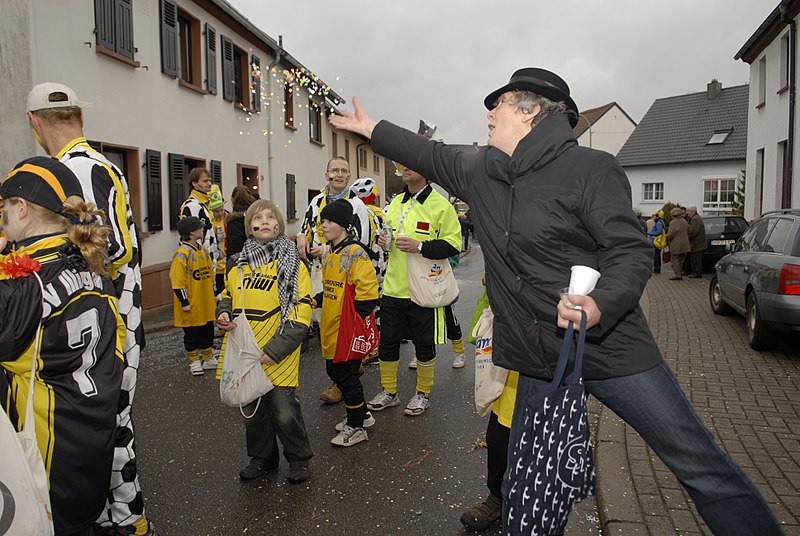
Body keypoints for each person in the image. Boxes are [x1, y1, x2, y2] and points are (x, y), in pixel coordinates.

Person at [330, 67, 782, 535]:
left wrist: (599, 303)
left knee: (698, 464)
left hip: (613, 348)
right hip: (541, 359)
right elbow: (427, 152)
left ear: (530, 111)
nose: (488, 112)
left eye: (499, 103)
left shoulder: (591, 168)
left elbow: (629, 251)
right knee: (532, 490)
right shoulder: (481, 170)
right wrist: (370, 128)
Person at [26, 82, 154, 535]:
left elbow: (112, 249)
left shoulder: (61, 173)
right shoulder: (101, 164)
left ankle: (128, 520)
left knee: (105, 427)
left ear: (35, 124)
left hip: (107, 319)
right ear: (81, 119)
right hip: (117, 315)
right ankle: (119, 517)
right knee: (106, 424)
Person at [0, 156, 124, 536]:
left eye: (4, 209)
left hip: (43, 448)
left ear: (21, 208)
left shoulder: (24, 281)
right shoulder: (90, 265)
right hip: (92, 438)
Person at [216, 199, 314, 484]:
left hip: (277, 351)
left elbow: (302, 309)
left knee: (284, 410)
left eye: (271, 217)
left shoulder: (294, 262)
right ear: (250, 226)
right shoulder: (236, 264)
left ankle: (299, 459)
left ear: (279, 224)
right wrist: (223, 314)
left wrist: (276, 349)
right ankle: (262, 458)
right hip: (245, 350)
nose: (266, 222)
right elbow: (227, 295)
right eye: (259, 218)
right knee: (253, 412)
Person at [365, 163, 461, 417]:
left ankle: (422, 394)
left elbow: (454, 244)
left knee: (423, 345)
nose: (403, 168)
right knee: (388, 344)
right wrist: (384, 241)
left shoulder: (440, 204)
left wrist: (421, 246)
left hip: (424, 291)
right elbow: (388, 241)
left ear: (425, 170)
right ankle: (389, 392)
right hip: (393, 289)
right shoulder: (395, 202)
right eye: (400, 165)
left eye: (410, 164)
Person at [297, 157, 371, 404]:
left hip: (346, 275)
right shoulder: (317, 201)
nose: (339, 174)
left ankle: (342, 379)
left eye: (344, 171)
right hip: (322, 272)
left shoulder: (357, 204)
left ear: (349, 176)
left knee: (342, 327)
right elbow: (306, 227)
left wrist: (328, 251)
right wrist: (301, 238)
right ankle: (344, 370)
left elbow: (363, 244)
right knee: (325, 323)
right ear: (326, 174)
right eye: (334, 170)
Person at [313, 199, 379, 446]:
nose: (324, 226)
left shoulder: (355, 253)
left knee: (345, 375)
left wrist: (358, 321)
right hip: (331, 325)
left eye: (329, 221)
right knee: (335, 370)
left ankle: (357, 426)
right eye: (323, 221)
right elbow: (333, 286)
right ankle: (361, 413)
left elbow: (368, 291)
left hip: (347, 329)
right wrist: (318, 300)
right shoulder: (332, 251)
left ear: (342, 225)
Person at [170, 216, 218, 375]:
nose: (202, 229)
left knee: (207, 331)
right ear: (191, 232)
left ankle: (208, 357)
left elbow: (211, 274)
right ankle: (194, 361)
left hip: (205, 301)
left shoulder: (203, 250)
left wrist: (215, 293)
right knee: (192, 334)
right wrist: (184, 301)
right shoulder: (182, 253)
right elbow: (177, 280)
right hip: (192, 303)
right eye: (200, 227)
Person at [349, 177, 387, 366]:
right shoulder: (380, 213)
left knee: (364, 307)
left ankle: (368, 348)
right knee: (378, 306)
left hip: (364, 265)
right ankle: (376, 346)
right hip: (380, 264)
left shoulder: (355, 212)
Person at [180, 168, 221, 272]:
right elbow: (194, 236)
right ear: (194, 183)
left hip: (208, 261)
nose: (209, 184)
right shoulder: (192, 205)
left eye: (210, 181)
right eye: (205, 181)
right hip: (199, 264)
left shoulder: (203, 204)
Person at [225, 185, 258, 263]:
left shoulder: (234, 219)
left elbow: (234, 246)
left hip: (243, 262)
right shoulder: (257, 216)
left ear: (233, 199)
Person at [209, 184, 227, 294]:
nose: (220, 213)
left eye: (221, 210)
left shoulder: (228, 219)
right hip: (215, 267)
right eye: (216, 211)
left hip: (226, 265)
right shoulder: (208, 222)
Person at [666, 207, 690, 281]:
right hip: (685, 244)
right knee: (681, 259)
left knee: (675, 259)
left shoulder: (673, 222)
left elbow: (670, 234)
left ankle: (677, 275)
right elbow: (689, 231)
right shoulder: (685, 221)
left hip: (676, 244)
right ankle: (680, 273)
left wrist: (667, 239)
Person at [686, 205, 707, 278]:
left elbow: (694, 232)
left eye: (688, 212)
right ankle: (695, 272)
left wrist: (688, 237)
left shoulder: (695, 219)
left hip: (697, 244)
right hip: (697, 243)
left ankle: (697, 273)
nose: (687, 213)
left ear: (692, 211)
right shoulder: (696, 218)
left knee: (696, 259)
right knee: (695, 258)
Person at [647, 210, 666, 274]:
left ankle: (657, 269)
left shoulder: (659, 223)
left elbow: (658, 232)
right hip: (657, 242)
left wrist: (649, 232)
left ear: (658, 216)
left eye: (654, 216)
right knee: (656, 256)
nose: (653, 217)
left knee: (656, 256)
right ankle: (656, 268)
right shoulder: (659, 222)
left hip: (656, 242)